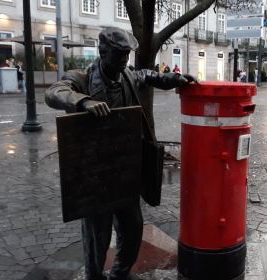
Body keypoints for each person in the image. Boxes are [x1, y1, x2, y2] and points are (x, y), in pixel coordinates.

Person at [45, 27, 197, 280]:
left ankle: (120, 272)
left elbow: (146, 75)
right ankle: (94, 276)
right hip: (96, 174)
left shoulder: (127, 76)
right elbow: (54, 92)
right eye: (119, 56)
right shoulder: (81, 79)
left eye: (126, 56)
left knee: (133, 227)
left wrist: (173, 79)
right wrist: (84, 101)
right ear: (103, 53)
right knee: (98, 236)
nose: (124, 62)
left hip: (125, 170)